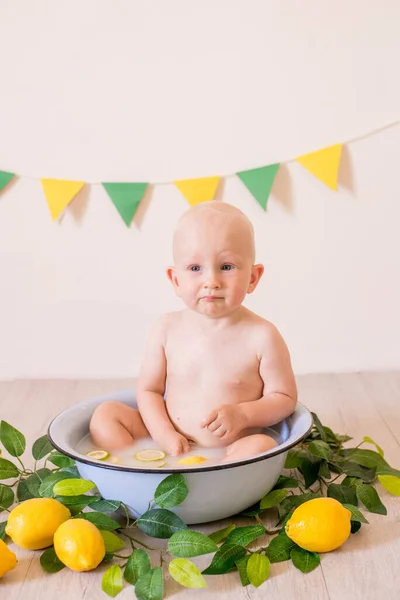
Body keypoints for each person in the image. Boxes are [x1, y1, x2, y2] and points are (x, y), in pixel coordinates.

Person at [90, 201, 297, 463]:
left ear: (253, 278)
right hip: (164, 440)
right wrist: (163, 434)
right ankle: (132, 464)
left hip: (232, 446)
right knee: (105, 416)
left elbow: (284, 398)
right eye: (195, 268)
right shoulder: (166, 329)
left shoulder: (263, 336)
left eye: (227, 266)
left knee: (262, 445)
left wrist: (243, 415)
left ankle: (220, 477)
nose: (211, 281)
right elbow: (149, 391)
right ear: (176, 279)